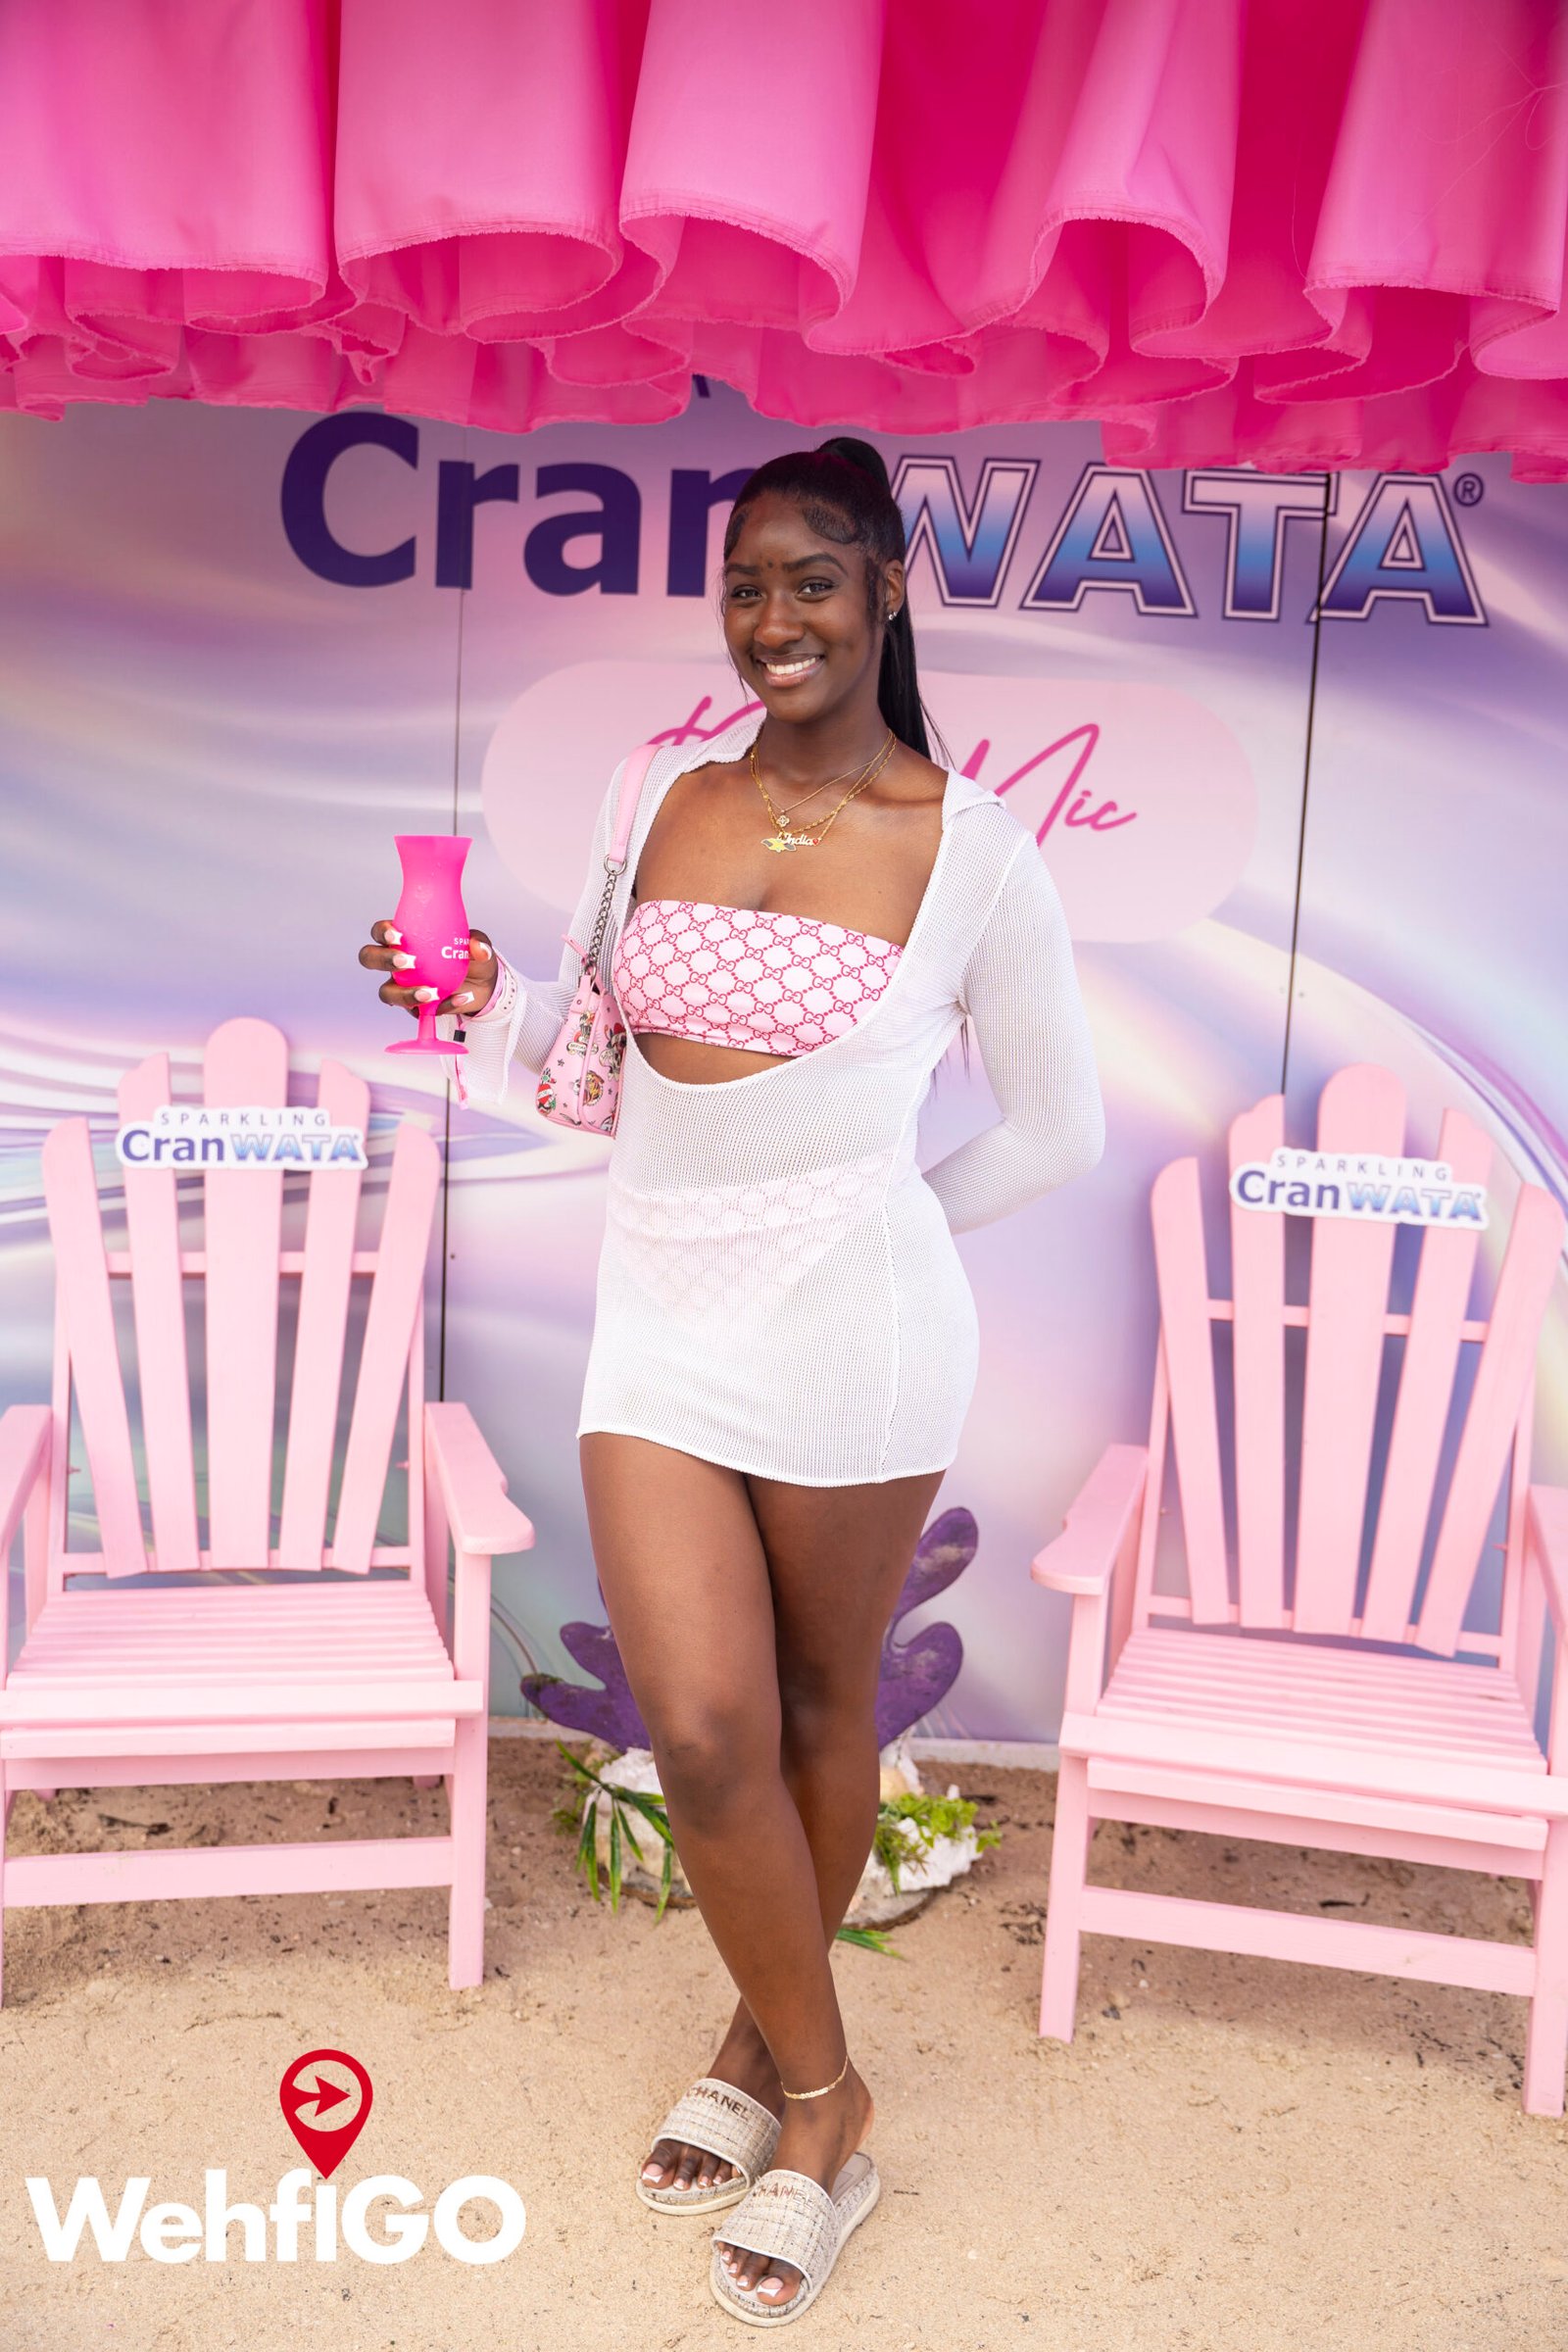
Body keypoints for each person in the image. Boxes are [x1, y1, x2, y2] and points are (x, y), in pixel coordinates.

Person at [359, 437, 1103, 2326]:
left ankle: (769, 2053)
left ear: (889, 591)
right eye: (747, 584)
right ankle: (835, 2093)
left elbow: (1059, 1128)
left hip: (860, 1336)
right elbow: (595, 1066)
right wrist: (476, 1000)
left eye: (813, 581)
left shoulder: (975, 849)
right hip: (663, 1322)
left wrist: (881, 1225)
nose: (776, 618)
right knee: (702, 1731)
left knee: (818, 1708)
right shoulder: (659, 794)